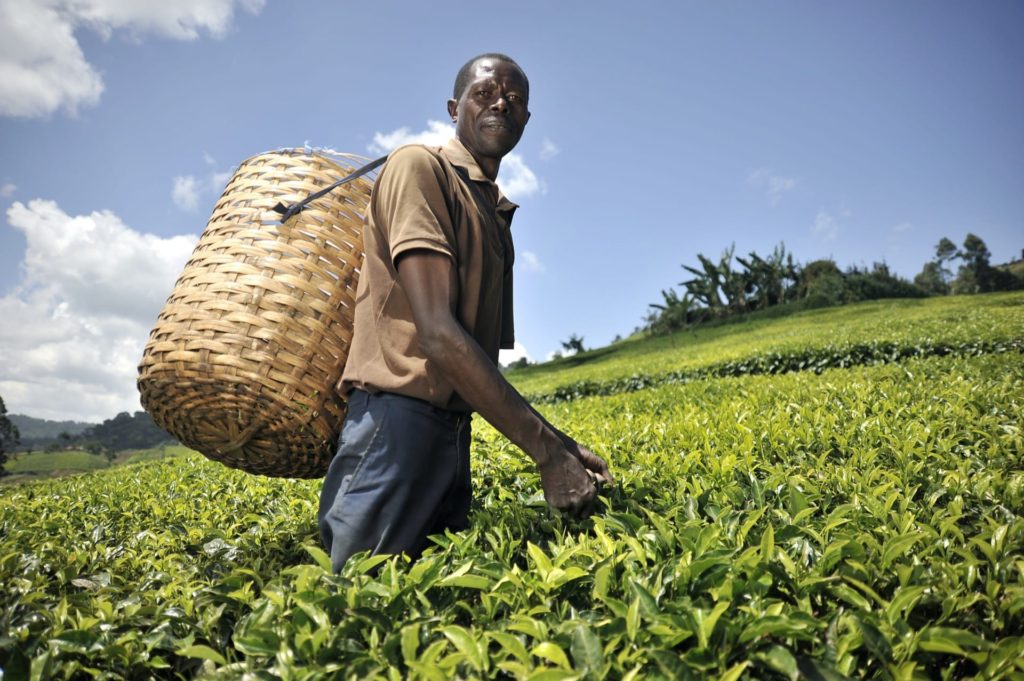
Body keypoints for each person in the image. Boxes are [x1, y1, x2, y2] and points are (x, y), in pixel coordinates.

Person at [318, 53, 613, 572]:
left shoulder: (495, 213)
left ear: (526, 120)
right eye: (485, 93)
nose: (501, 102)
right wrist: (545, 454)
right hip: (396, 424)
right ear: (455, 108)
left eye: (515, 99)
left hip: (452, 431)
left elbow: (478, 358)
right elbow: (437, 334)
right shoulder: (419, 167)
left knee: (427, 606)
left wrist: (563, 447)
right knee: (360, 607)